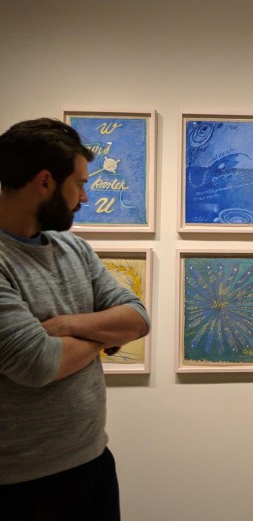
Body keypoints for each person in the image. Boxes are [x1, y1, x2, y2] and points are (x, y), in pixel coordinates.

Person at [0, 118, 150, 520]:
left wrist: (65, 326)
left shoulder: (73, 248)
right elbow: (39, 363)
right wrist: (103, 332)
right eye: (79, 184)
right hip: (19, 485)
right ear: (45, 182)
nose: (84, 197)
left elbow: (136, 319)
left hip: (92, 462)